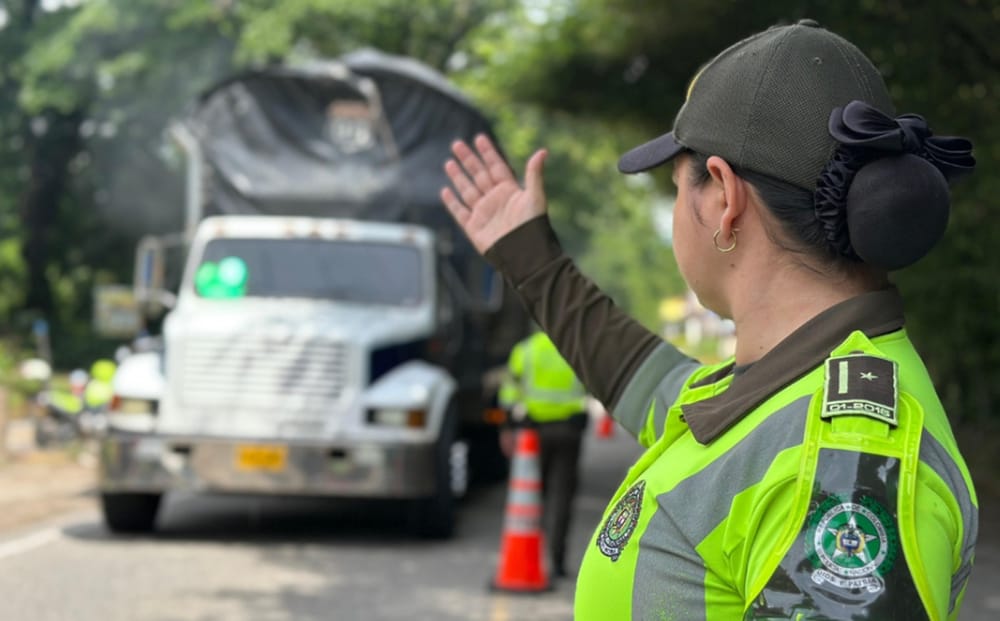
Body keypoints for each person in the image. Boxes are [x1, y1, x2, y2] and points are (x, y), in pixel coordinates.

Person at [441, 19, 978, 621]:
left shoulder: (840, 463)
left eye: (677, 187)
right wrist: (530, 258)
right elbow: (645, 380)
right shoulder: (776, 388)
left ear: (722, 198)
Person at [498, 330, 589, 578]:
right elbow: (593, 385)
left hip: (534, 435)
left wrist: (507, 428)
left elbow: (508, 393)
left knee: (531, 497)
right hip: (569, 432)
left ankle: (532, 557)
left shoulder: (525, 351)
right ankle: (557, 561)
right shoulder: (574, 347)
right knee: (562, 498)